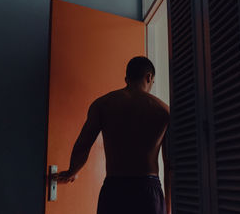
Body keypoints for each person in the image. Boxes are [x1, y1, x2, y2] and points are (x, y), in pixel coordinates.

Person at [51, 56, 172, 214]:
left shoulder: (103, 104)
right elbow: (169, 163)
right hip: (148, 190)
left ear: (126, 78)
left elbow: (83, 144)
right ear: (149, 77)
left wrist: (72, 171)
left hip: (115, 188)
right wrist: (169, 205)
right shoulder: (163, 110)